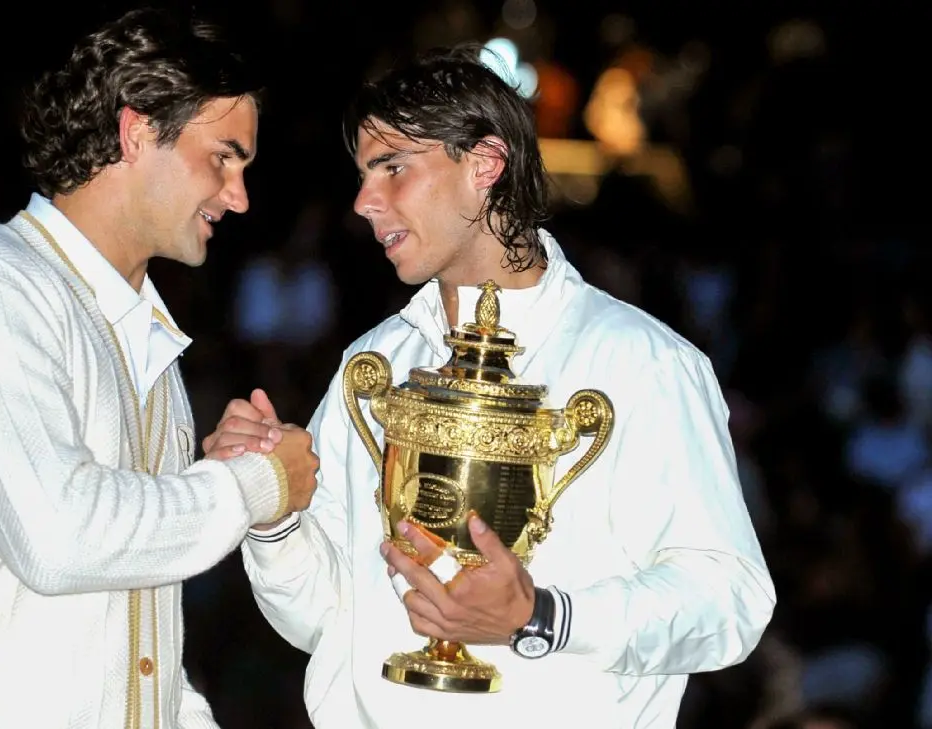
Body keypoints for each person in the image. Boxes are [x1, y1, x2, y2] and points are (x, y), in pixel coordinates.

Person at [215, 45, 776, 727]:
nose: (365, 201)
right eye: (363, 175)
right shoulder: (376, 363)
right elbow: (324, 619)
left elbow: (729, 600)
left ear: (484, 165)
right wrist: (274, 514)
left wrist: (539, 615)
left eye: (393, 168)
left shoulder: (641, 361)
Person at [0, 8, 319, 728]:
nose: (239, 196)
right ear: (137, 132)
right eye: (224, 157)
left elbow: (138, 652)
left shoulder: (148, 342)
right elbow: (59, 536)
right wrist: (253, 485)